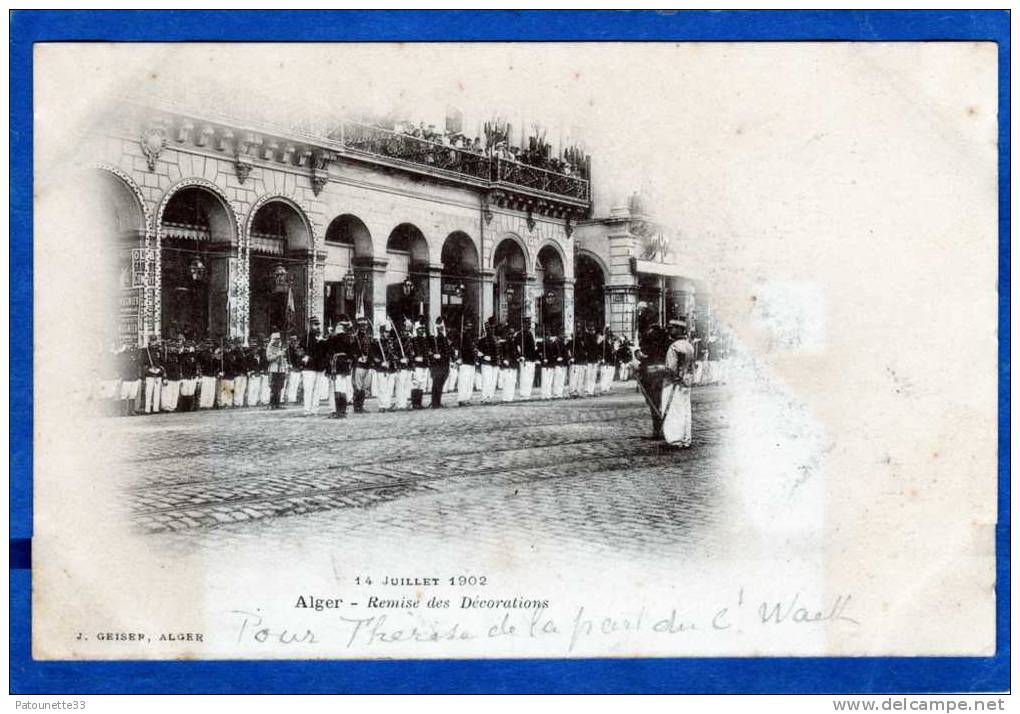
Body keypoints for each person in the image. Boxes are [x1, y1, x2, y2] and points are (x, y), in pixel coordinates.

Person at [661, 319, 696, 448]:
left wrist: (662, 372)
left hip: (673, 383)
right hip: (686, 382)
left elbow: (671, 367)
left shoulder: (674, 346)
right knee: (685, 410)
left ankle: (674, 439)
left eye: (672, 328)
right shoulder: (689, 345)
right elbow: (692, 365)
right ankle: (686, 438)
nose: (670, 330)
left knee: (673, 411)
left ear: (679, 330)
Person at [634, 320, 671, 439]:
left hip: (652, 378)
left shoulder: (651, 343)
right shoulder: (667, 343)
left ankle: (658, 430)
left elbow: (643, 357)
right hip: (659, 377)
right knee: (659, 404)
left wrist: (637, 354)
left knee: (655, 404)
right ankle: (661, 430)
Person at [326, 317, 359, 418]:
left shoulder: (333, 338)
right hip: (344, 365)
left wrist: (330, 334)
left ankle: (335, 410)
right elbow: (352, 352)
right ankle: (342, 410)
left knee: (334, 388)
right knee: (343, 387)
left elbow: (327, 351)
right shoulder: (349, 338)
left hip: (335, 364)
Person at [300, 317, 326, 416]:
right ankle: (307, 409)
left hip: (319, 366)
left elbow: (324, 352)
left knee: (317, 389)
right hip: (309, 366)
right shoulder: (305, 337)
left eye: (318, 324)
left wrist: (321, 341)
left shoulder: (321, 338)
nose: (317, 326)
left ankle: (315, 409)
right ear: (310, 325)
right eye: (315, 324)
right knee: (308, 389)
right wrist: (303, 356)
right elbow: (300, 350)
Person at [352, 318, 376, 413]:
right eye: (361, 326)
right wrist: (357, 357)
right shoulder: (354, 337)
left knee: (365, 386)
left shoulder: (369, 337)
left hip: (367, 364)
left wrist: (370, 360)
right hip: (358, 364)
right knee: (358, 386)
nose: (363, 328)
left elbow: (371, 350)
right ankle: (356, 406)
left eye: (365, 326)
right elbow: (352, 350)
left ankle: (361, 406)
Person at [429, 317, 453, 408]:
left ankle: (438, 401)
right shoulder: (434, 338)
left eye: (442, 327)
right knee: (437, 383)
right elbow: (430, 351)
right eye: (440, 327)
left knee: (441, 383)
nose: (442, 329)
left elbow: (448, 350)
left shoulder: (445, 338)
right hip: (437, 365)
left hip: (445, 364)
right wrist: (434, 355)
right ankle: (435, 403)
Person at [374, 323, 398, 412]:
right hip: (382, 368)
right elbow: (374, 356)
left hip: (391, 368)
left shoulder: (390, 342)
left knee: (390, 387)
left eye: (388, 332)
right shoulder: (377, 342)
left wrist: (393, 361)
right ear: (381, 332)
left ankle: (387, 404)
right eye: (385, 332)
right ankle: (382, 405)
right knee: (382, 387)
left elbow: (393, 354)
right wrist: (381, 362)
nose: (387, 334)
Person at [456, 320, 478, 406]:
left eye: (471, 326)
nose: (469, 328)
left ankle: (467, 398)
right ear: (464, 326)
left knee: (469, 381)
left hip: (471, 361)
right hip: (465, 361)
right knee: (463, 381)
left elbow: (473, 348)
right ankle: (462, 399)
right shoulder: (461, 336)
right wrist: (459, 357)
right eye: (467, 326)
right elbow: (458, 348)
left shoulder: (471, 337)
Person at [478, 319, 499, 403]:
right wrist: (483, 356)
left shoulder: (496, 340)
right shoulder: (482, 340)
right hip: (486, 362)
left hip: (494, 362)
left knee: (493, 380)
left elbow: (498, 351)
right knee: (486, 380)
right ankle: (484, 396)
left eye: (493, 328)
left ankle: (490, 396)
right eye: (490, 329)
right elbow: (478, 352)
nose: (492, 330)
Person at [410, 322, 431, 410]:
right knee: (416, 382)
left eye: (423, 329)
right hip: (417, 364)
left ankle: (419, 402)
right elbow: (411, 352)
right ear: (417, 330)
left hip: (424, 364)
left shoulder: (425, 340)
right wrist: (414, 360)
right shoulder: (413, 340)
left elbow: (427, 351)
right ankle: (415, 403)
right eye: (420, 329)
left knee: (422, 383)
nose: (422, 331)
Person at [518, 317, 539, 400]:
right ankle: (523, 393)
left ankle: (528, 392)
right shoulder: (520, 335)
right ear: (523, 324)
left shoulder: (530, 334)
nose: (528, 326)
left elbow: (533, 348)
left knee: (530, 376)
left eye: (529, 324)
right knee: (524, 376)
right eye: (527, 324)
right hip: (525, 359)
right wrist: (520, 355)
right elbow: (518, 346)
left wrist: (535, 357)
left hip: (531, 359)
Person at [266, 332, 288, 409]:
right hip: (274, 369)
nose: (278, 340)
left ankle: (277, 403)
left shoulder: (281, 347)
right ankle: (271, 404)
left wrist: (285, 368)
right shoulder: (270, 347)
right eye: (276, 339)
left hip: (281, 369)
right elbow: (269, 358)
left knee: (280, 387)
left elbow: (284, 359)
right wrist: (277, 355)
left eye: (279, 339)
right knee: (273, 387)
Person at [499, 325, 520, 403]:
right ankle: (505, 397)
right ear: (507, 334)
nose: (511, 335)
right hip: (507, 364)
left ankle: (510, 397)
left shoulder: (515, 343)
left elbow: (517, 353)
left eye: (513, 334)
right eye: (510, 334)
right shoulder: (504, 343)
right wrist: (504, 359)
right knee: (507, 381)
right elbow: (502, 353)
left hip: (513, 364)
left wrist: (519, 357)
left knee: (512, 381)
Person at [142, 340, 163, 414]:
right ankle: (147, 410)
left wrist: (160, 369)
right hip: (150, 374)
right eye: (152, 341)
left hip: (158, 374)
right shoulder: (146, 351)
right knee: (149, 392)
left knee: (157, 392)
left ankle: (156, 409)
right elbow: (144, 363)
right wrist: (148, 369)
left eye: (155, 341)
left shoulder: (159, 351)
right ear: (149, 343)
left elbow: (162, 362)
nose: (154, 343)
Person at [597, 328, 616, 395]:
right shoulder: (603, 343)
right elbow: (599, 350)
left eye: (609, 335)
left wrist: (613, 351)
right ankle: (603, 388)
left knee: (608, 374)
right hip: (604, 360)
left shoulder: (611, 343)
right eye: (607, 334)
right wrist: (601, 357)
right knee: (604, 374)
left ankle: (607, 387)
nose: (609, 336)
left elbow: (612, 352)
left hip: (610, 360)